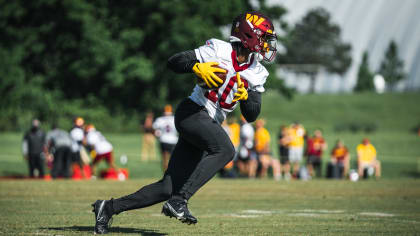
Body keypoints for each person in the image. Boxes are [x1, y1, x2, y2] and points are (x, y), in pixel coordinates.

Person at [92, 11, 278, 234]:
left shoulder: (257, 72)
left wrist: (246, 96)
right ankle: (180, 201)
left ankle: (108, 208)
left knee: (166, 188)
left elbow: (252, 114)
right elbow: (174, 62)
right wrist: (196, 66)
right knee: (226, 150)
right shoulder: (218, 50)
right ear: (250, 35)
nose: (268, 45)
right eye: (264, 38)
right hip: (192, 113)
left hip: (208, 123)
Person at [153, 105, 179, 171]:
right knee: (173, 160)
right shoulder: (175, 118)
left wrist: (157, 133)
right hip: (173, 141)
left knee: (164, 159)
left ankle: (165, 174)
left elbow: (154, 129)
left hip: (163, 140)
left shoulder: (160, 119)